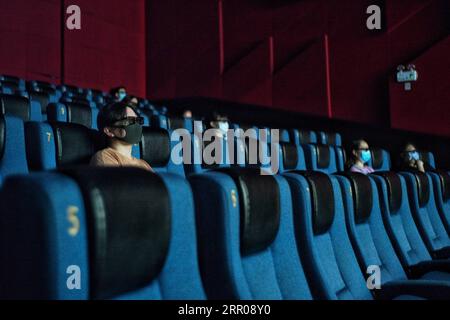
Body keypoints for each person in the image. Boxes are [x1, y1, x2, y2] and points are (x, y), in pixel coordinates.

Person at [90, 101, 153, 172]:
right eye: (130, 121)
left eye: (138, 120)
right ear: (109, 131)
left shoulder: (144, 164)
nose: (136, 125)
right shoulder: (104, 157)